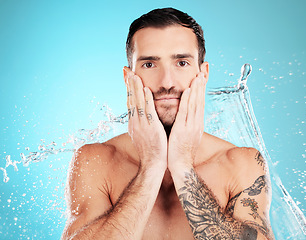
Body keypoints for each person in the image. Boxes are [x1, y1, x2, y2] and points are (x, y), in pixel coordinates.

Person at [62, 7, 274, 240]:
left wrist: (182, 164)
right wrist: (151, 166)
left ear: (203, 74)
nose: (167, 82)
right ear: (128, 78)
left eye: (181, 63)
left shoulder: (241, 164)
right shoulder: (96, 161)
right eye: (149, 64)